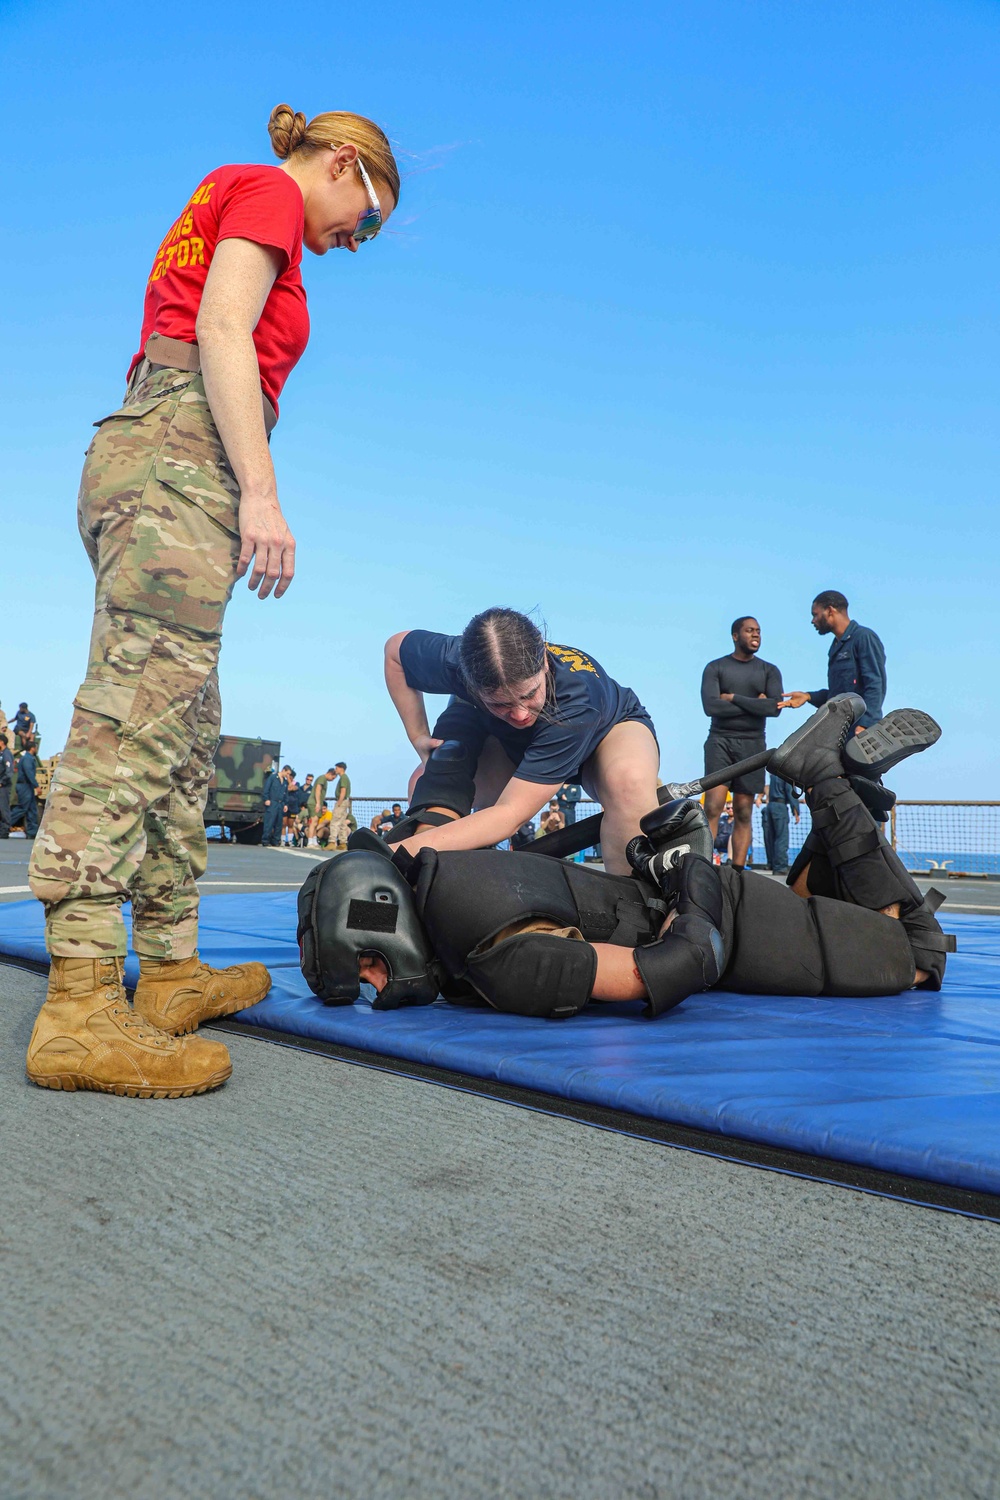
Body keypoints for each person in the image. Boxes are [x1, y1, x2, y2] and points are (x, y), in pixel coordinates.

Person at [25, 105, 400, 1101]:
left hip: (172, 456)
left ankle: (171, 971)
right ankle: (79, 1006)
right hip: (184, 456)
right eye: (362, 223)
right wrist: (262, 491)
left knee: (184, 731)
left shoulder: (245, 195)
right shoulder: (272, 187)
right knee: (137, 721)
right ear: (342, 163)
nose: (351, 243)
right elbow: (221, 325)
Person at [323, 698, 951, 1020]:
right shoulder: (450, 866)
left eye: (369, 966)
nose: (375, 986)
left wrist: (692, 884)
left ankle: (828, 782)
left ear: (387, 928)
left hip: (728, 924)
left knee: (919, 956)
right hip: (687, 894)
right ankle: (845, 791)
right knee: (819, 901)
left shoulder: (497, 958)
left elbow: (681, 965)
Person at [381, 608, 661, 876]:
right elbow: (395, 651)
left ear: (545, 664)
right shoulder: (450, 659)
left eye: (529, 694)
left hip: (604, 733)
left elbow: (510, 814)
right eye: (501, 702)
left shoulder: (578, 701)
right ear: (466, 680)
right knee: (424, 779)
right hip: (516, 743)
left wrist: (395, 853)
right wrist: (418, 735)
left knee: (629, 784)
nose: (520, 713)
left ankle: (631, 909)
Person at [700, 617, 788, 872]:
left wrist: (734, 698)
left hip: (753, 745)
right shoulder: (715, 667)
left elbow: (774, 708)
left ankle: (736, 871)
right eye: (750, 631)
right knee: (713, 806)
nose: (756, 635)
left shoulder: (769, 670)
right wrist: (754, 703)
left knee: (743, 811)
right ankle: (702, 866)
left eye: (758, 631)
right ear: (735, 636)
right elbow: (711, 706)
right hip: (720, 741)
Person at [780, 590, 887, 731]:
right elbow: (838, 695)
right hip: (839, 728)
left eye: (815, 614)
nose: (813, 620)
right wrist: (808, 696)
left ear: (830, 611)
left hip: (858, 731)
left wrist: (865, 724)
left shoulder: (863, 637)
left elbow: (875, 684)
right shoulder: (836, 646)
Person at [761, 774, 800, 876]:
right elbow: (791, 792)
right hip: (780, 807)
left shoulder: (774, 774)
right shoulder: (786, 775)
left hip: (770, 806)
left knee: (770, 838)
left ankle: (771, 864)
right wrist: (796, 811)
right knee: (781, 838)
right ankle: (780, 867)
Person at [11, 739, 40, 839]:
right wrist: (36, 785)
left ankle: (32, 832)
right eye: (35, 747)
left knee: (31, 810)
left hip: (27, 786)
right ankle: (5, 825)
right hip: (25, 786)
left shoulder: (28, 758)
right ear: (32, 748)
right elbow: (29, 773)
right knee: (22, 808)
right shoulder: (27, 759)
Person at [327, 761, 352, 848]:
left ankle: (332, 842)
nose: (335, 770)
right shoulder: (345, 778)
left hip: (342, 801)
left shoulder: (343, 778)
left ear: (341, 768)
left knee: (335, 821)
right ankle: (343, 842)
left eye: (336, 768)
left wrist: (339, 803)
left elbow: (343, 791)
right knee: (342, 823)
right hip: (345, 802)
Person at [307, 768, 333, 846]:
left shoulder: (324, 780)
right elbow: (318, 789)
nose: (332, 779)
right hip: (314, 803)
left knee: (316, 822)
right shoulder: (322, 778)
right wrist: (318, 803)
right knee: (313, 822)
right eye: (333, 777)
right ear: (331, 774)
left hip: (318, 803)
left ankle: (314, 841)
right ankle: (310, 841)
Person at [261, 761, 284, 847]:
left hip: (280, 804)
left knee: (278, 823)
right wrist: (266, 799)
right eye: (287, 773)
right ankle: (265, 840)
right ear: (284, 770)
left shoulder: (284, 781)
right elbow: (266, 788)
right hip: (272, 802)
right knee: (269, 822)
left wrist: (285, 804)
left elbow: (285, 793)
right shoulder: (273, 778)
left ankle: (275, 840)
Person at [0, 734, 13, 840]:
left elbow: (9, 772)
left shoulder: (6, 754)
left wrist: (2, 782)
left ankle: (4, 831)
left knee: (3, 808)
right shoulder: (2, 754)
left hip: (3, 786)